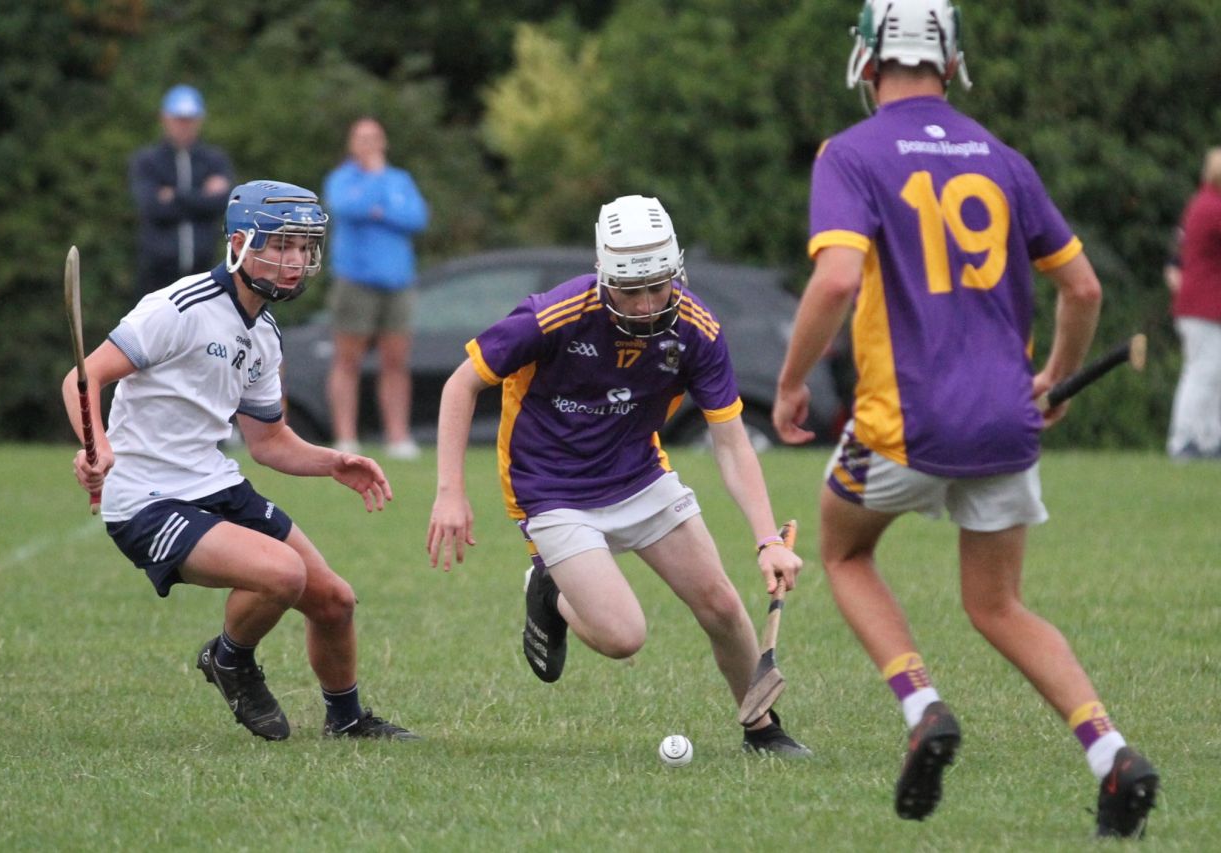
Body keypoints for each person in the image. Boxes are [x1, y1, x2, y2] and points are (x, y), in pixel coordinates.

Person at [771, 0, 1158, 837]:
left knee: (842, 552)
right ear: (950, 63)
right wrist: (1050, 377)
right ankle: (1110, 751)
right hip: (1006, 425)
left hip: (905, 423)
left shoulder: (852, 153)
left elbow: (837, 280)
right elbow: (1083, 288)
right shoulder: (1003, 158)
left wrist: (793, 380)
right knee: (998, 605)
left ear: (866, 62)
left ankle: (923, 705)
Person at [426, 194, 810, 757]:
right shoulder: (552, 315)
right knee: (622, 637)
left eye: (658, 286)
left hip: (639, 476)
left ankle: (761, 726)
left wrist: (767, 539)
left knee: (723, 606)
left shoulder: (696, 329)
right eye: (630, 291)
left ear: (675, 272)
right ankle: (548, 591)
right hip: (550, 489)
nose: (647, 303)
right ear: (604, 277)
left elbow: (730, 442)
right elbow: (461, 384)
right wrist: (449, 493)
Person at [63, 180, 417, 743]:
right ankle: (230, 660)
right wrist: (97, 445)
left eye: (303, 247)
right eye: (281, 245)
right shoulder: (177, 309)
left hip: (215, 483)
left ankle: (346, 721)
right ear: (238, 243)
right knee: (282, 573)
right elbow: (84, 377)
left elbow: (269, 442)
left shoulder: (266, 334)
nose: (296, 261)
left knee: (334, 601)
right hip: (147, 499)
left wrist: (332, 462)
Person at [323, 117, 429, 459]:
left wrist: (381, 209)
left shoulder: (400, 179)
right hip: (356, 281)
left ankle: (397, 437)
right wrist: (373, 184)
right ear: (351, 144)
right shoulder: (342, 179)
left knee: (396, 361)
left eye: (374, 138)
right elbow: (346, 208)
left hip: (397, 282)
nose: (369, 145)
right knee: (348, 360)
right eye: (362, 138)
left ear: (384, 142)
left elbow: (416, 217)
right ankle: (346, 436)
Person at [128, 85, 236, 297]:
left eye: (190, 119)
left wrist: (173, 196)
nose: (184, 126)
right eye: (179, 119)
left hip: (205, 271)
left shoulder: (214, 160)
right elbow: (152, 207)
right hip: (157, 273)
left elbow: (222, 204)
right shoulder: (147, 161)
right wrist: (201, 197)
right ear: (164, 119)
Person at [1165, 148, 1221, 460]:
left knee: (1212, 374)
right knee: (1203, 373)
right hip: (1204, 304)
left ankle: (1208, 439)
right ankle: (1184, 439)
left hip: (1202, 304)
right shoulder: (1213, 207)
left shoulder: (1203, 202)